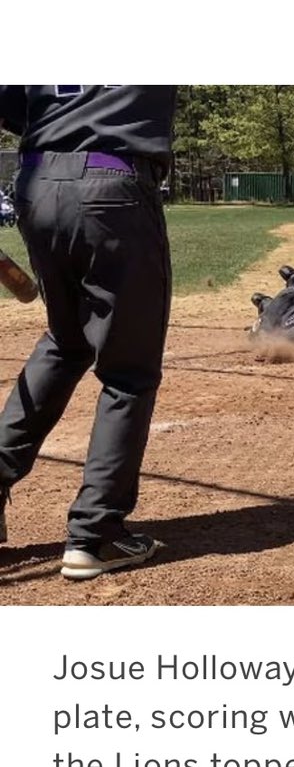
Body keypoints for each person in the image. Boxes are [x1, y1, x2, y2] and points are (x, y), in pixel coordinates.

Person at [0, 85, 177, 578]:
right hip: (112, 188)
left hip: (37, 182)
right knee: (130, 372)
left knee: (67, 339)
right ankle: (96, 535)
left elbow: (16, 107)